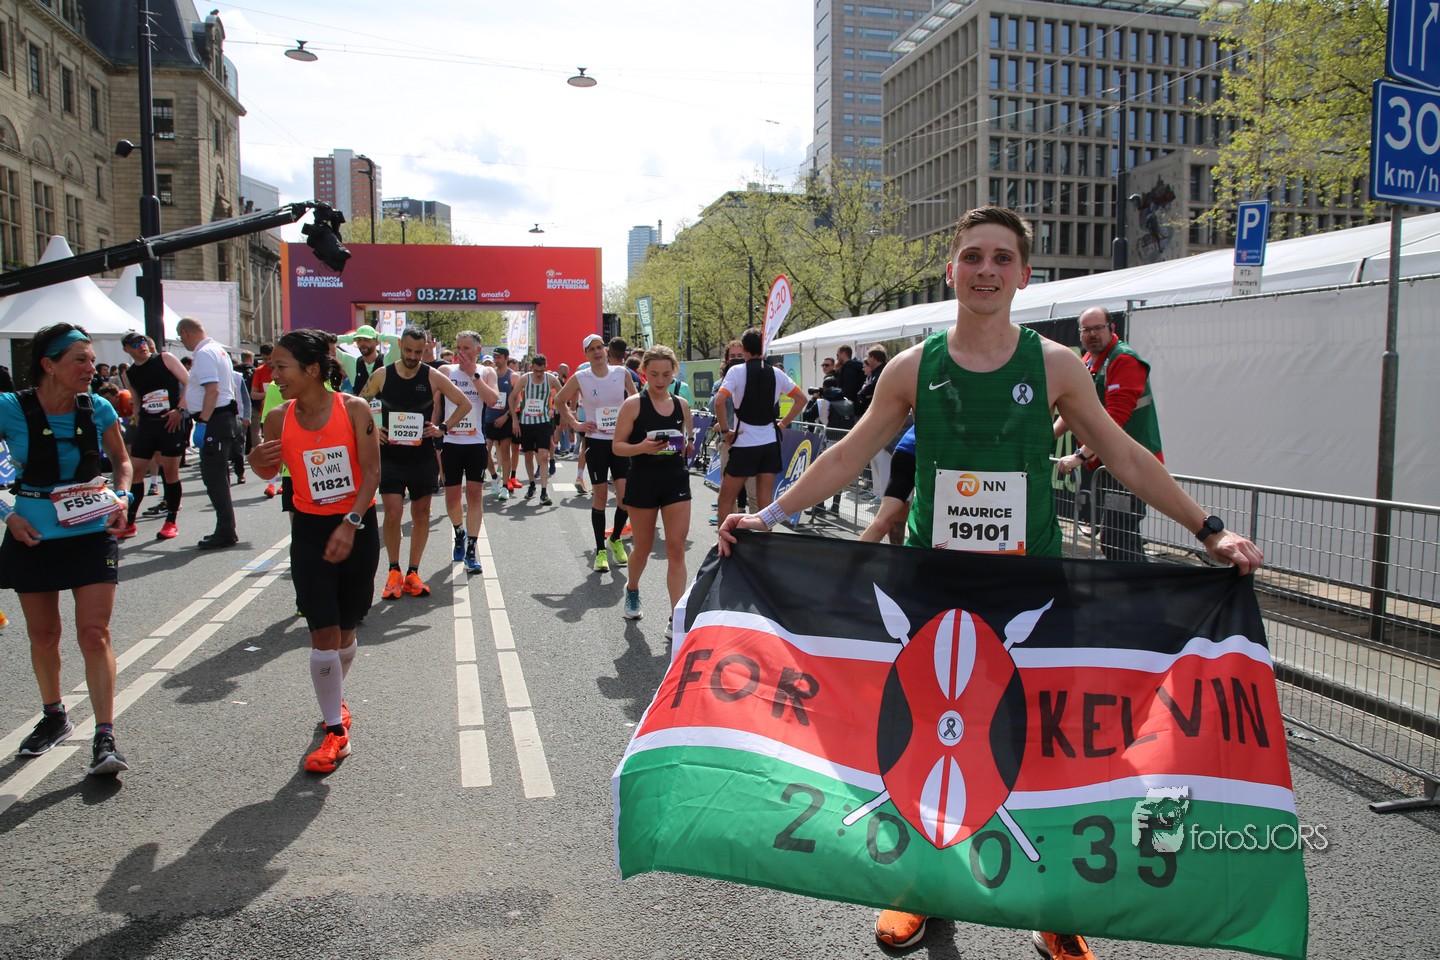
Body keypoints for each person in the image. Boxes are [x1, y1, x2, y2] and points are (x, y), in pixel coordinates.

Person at [719, 205, 1263, 960]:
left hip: (1030, 592)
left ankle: (1051, 905)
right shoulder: (912, 368)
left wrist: (1209, 531)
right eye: (973, 256)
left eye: (1002, 258)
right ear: (952, 270)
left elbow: (1127, 456)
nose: (986, 270)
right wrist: (769, 515)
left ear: (1024, 275)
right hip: (932, 589)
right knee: (924, 736)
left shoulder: (1056, 366)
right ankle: (920, 888)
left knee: (1039, 748)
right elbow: (846, 456)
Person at [1, 323, 133, 775]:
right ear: (49, 365)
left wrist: (123, 498)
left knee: (94, 633)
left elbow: (123, 462)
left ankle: (105, 736)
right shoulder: (9, 408)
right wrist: (8, 515)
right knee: (44, 635)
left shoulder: (98, 407)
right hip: (31, 535)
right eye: (80, 359)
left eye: (92, 359)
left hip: (91, 531)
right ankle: (54, 715)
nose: (91, 368)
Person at [247, 329, 381, 774]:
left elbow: (371, 472)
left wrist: (351, 522)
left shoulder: (354, 409)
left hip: (356, 527)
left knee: (345, 631)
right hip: (309, 531)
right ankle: (335, 731)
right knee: (322, 631)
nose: (273, 374)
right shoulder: (277, 417)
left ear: (310, 369)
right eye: (272, 366)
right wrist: (256, 462)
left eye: (281, 366)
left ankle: (335, 698)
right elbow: (267, 469)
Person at [361, 326, 472, 600]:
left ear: (426, 349)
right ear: (400, 345)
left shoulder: (432, 376)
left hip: (422, 457)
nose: (412, 357)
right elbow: (358, 405)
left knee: (421, 514)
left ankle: (413, 572)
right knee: (393, 513)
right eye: (408, 350)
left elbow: (464, 403)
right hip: (390, 456)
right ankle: (393, 571)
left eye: (418, 352)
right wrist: (373, 429)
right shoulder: (382, 375)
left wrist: (442, 427)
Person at [1054, 306, 1165, 563]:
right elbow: (1073, 409)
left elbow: (1113, 421)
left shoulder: (1124, 361)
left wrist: (1080, 456)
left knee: (1117, 539)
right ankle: (1136, 583)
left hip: (1132, 466)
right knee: (1119, 538)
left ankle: (1139, 584)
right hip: (1112, 467)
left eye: (1098, 328)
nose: (1092, 334)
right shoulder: (1089, 361)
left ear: (1111, 328)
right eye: (1086, 330)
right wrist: (1046, 438)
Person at [612, 345, 692, 634]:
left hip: (675, 479)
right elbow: (617, 446)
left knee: (676, 548)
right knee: (643, 548)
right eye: (654, 374)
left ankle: (676, 617)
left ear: (674, 372)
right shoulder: (633, 404)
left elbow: (687, 441)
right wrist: (642, 447)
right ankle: (632, 588)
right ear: (644, 372)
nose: (660, 380)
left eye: (666, 374)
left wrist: (687, 446)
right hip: (643, 480)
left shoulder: (682, 405)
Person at [556, 333, 637, 572]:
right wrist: (576, 424)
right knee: (600, 495)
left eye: (599, 347)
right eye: (591, 349)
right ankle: (601, 550)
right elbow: (559, 401)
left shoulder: (621, 373)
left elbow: (635, 399)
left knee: (625, 498)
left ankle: (616, 539)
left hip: (620, 442)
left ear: (606, 350)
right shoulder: (581, 377)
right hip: (596, 442)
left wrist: (634, 426)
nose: (597, 352)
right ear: (586, 354)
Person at [712, 327, 808, 527]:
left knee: (725, 499)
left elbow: (719, 401)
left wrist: (725, 431)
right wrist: (782, 424)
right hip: (769, 444)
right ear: (763, 348)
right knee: (765, 504)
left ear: (744, 349)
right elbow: (801, 399)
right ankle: (764, 542)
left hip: (744, 444)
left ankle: (724, 540)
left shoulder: (736, 371)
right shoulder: (777, 373)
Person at [177, 317, 242, 550]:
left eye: (180, 337)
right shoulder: (217, 350)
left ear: (186, 332)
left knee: (214, 478)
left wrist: (203, 421)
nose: (182, 341)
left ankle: (225, 531)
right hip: (223, 418)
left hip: (215, 419)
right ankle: (226, 528)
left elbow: (212, 391)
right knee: (219, 476)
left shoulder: (204, 353)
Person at [439, 332, 500, 574]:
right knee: (452, 498)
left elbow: (492, 400)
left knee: (475, 496)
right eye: (458, 348)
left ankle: (472, 549)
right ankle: (459, 532)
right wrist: (435, 433)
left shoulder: (487, 372)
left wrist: (474, 375)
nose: (461, 353)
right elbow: (437, 405)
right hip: (450, 442)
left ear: (478, 350)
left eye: (466, 348)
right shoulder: (446, 371)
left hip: (475, 443)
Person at [119, 332, 189, 540]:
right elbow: (136, 399)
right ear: (126, 349)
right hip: (148, 424)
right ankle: (130, 522)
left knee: (170, 472)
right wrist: (137, 421)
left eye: (143, 341)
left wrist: (180, 410)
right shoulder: (129, 373)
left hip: (171, 422)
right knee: (136, 471)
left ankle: (171, 521)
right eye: (135, 344)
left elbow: (190, 383)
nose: (141, 346)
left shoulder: (165, 358)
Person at [509, 353, 561, 504]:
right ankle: (532, 484)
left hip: (543, 422)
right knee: (528, 456)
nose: (539, 374)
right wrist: (515, 420)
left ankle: (544, 491)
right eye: (536, 370)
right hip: (526, 423)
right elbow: (512, 397)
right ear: (531, 367)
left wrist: (555, 409)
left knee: (543, 456)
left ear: (546, 367)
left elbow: (562, 395)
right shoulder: (525, 379)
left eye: (541, 371)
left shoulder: (551, 379)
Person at [482, 345, 518, 498]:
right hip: (489, 419)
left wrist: (507, 416)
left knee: (504, 453)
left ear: (506, 358)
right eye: (495, 357)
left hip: (505, 420)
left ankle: (504, 487)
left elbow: (517, 400)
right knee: (483, 452)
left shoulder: (513, 376)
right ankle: (494, 476)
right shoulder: (490, 374)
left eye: (499, 357)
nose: (496, 360)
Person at [337, 324, 399, 396]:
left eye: (367, 340)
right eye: (359, 340)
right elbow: (327, 344)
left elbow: (399, 341)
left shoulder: (387, 360)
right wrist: (349, 338)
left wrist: (380, 336)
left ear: (376, 341)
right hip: (361, 403)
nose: (362, 343)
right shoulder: (352, 362)